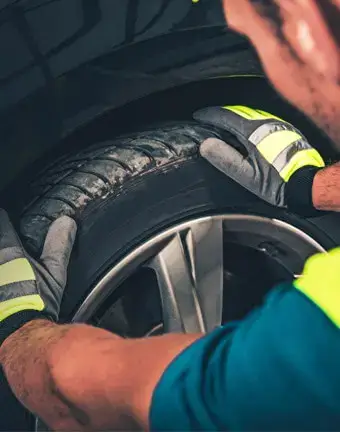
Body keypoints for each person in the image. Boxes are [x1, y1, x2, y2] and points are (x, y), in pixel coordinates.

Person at [1, 0, 340, 430]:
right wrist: (313, 188)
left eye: (257, 32)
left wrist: (19, 328)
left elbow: (87, 396)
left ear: (310, 30)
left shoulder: (315, 353)